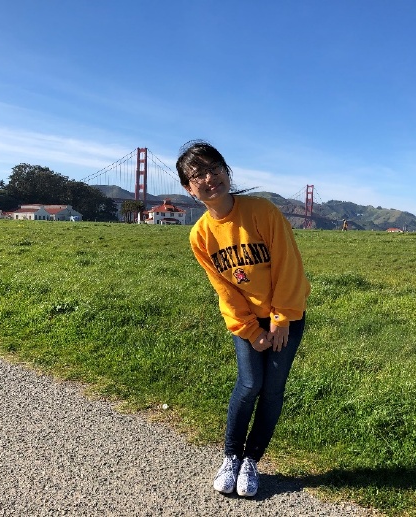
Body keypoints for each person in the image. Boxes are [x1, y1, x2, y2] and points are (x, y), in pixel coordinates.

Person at [176, 141, 311, 498]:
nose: (209, 178)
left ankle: (252, 460)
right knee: (250, 384)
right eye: (198, 175)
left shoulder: (262, 211)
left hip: (285, 317)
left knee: (272, 390)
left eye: (214, 168)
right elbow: (224, 288)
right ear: (189, 188)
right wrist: (251, 330)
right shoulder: (200, 235)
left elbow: (288, 265)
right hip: (247, 321)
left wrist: (280, 319)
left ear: (226, 170)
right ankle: (231, 457)